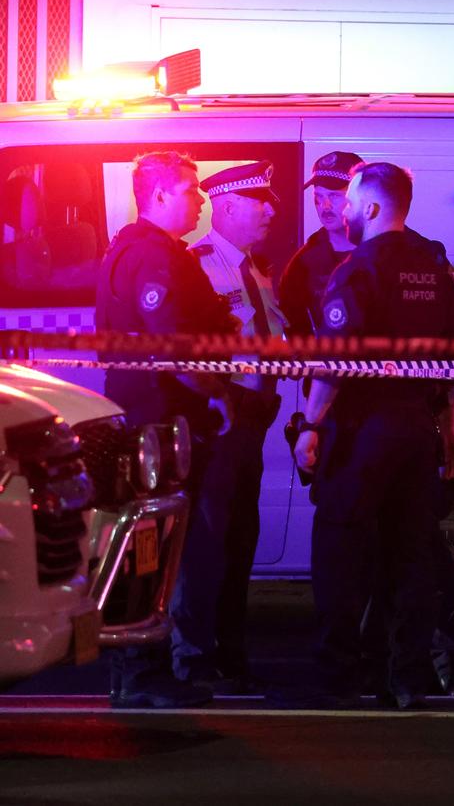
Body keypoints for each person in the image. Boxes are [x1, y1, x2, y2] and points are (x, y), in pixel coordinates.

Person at [280, 152, 454, 697]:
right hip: (418, 430)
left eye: (347, 201)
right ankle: (409, 677)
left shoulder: (358, 268)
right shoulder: (436, 266)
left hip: (363, 431)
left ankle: (338, 679)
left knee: (340, 553)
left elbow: (337, 360)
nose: (341, 210)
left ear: (369, 206)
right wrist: (450, 427)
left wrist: (313, 424)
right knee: (411, 556)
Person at [96, 149, 239, 709]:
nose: (200, 200)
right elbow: (175, 349)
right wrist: (217, 396)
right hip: (160, 427)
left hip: (154, 423)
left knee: (155, 544)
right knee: (154, 547)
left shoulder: (139, 250)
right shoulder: (153, 258)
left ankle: (141, 667)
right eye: (190, 190)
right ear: (158, 196)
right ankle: (140, 671)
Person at [170, 160, 287, 693]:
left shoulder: (258, 268)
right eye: (260, 201)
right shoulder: (198, 265)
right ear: (230, 206)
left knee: (241, 541)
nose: (271, 210)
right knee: (206, 542)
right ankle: (193, 656)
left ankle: (230, 652)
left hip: (255, 422)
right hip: (222, 422)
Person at [279, 151, 360, 337]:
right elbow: (294, 331)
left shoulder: (386, 251)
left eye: (334, 196)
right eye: (318, 197)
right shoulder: (303, 263)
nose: (325, 206)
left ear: (359, 196)